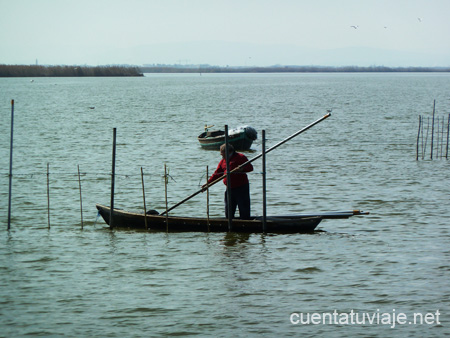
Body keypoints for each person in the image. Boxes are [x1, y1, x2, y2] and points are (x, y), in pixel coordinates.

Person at [202, 143, 253, 220]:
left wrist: (241, 169)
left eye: (222, 153)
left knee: (244, 210)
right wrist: (208, 183)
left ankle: (245, 225)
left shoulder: (240, 157)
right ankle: (229, 225)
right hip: (229, 189)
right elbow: (217, 174)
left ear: (228, 152)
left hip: (241, 188)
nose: (221, 155)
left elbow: (250, 168)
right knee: (229, 212)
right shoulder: (223, 161)